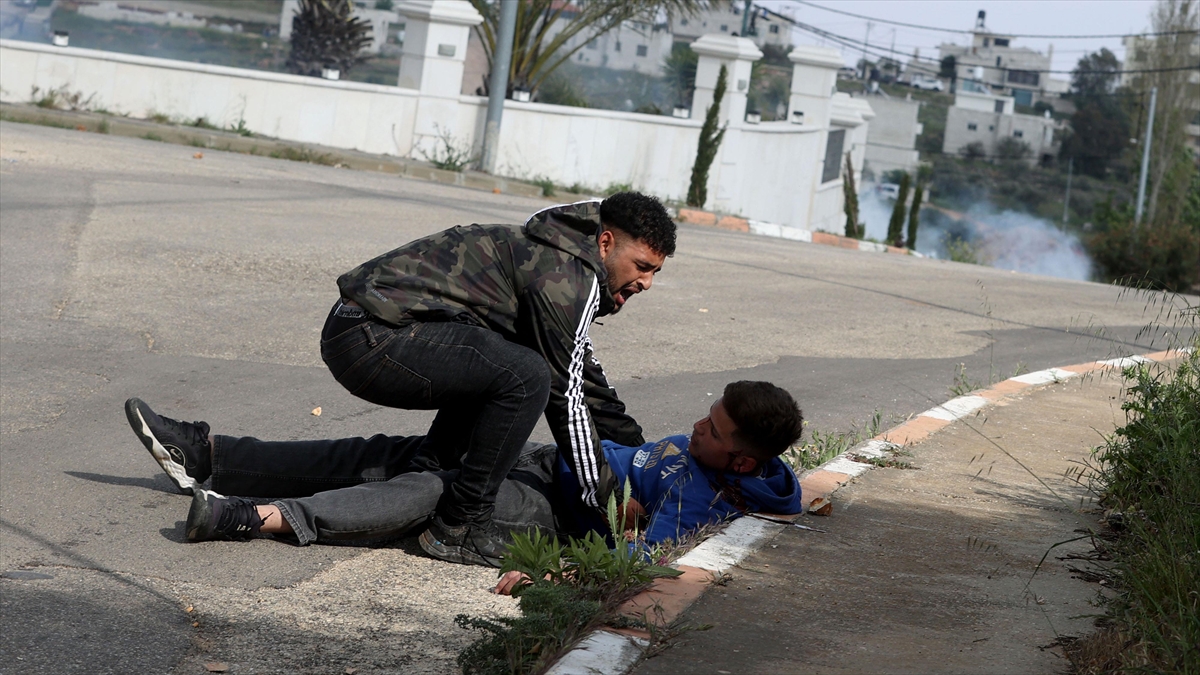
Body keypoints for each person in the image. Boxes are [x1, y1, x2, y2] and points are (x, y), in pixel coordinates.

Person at [126, 193, 676, 568]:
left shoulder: (562, 264)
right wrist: (609, 496)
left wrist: (640, 457)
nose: (647, 283)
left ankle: (207, 457)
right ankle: (462, 526)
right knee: (526, 376)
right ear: (605, 243)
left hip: (369, 331)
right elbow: (564, 390)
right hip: (374, 338)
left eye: (656, 272)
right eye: (643, 265)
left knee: (414, 464)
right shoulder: (565, 277)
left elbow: (586, 377)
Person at [123, 381, 805, 588]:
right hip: (553, 460)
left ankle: (250, 515)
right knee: (397, 451)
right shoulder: (751, 466)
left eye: (713, 432)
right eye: (707, 417)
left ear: (742, 463)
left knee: (432, 489)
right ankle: (212, 453)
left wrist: (555, 578)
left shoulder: (710, 500)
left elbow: (640, 564)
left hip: (550, 510)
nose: (696, 427)